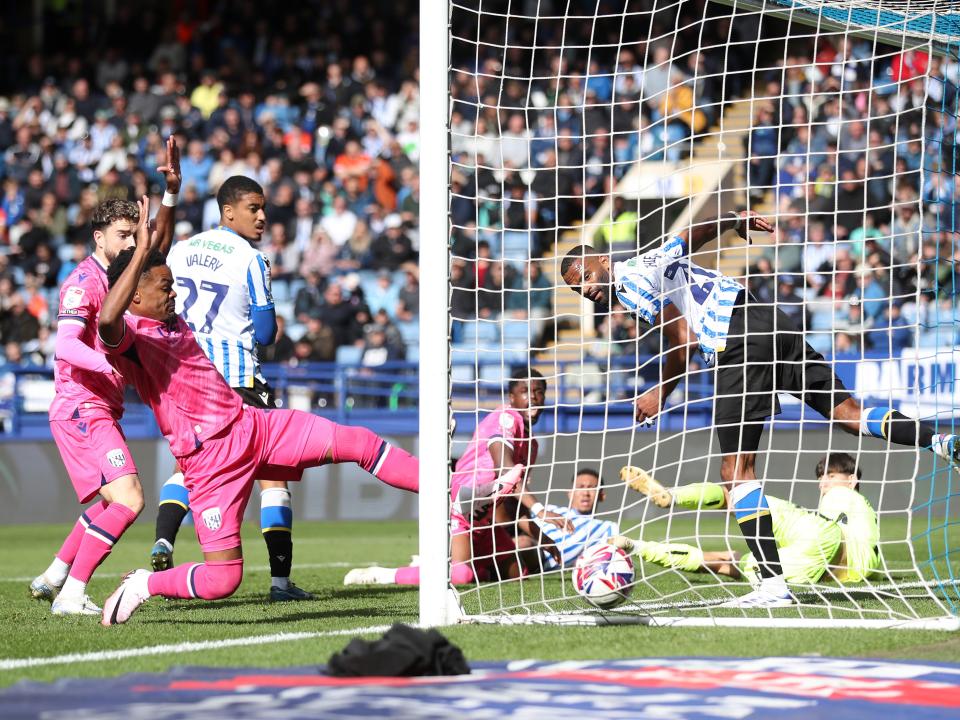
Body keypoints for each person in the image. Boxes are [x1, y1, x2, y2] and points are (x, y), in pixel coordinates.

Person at [560, 210, 959, 607]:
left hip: (737, 343)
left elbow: (684, 341)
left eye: (588, 277)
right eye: (579, 289)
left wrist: (658, 394)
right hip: (773, 323)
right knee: (850, 416)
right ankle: (940, 441)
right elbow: (690, 233)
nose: (588, 290)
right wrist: (732, 219)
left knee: (736, 473)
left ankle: (772, 586)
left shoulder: (629, 284)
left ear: (601, 260)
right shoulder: (649, 257)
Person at [96, 207, 419, 625]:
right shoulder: (132, 338)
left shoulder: (168, 316)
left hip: (253, 424)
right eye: (165, 288)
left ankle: (442, 490)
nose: (175, 294)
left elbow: (157, 255)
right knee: (222, 579)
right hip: (212, 460)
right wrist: (140, 253)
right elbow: (107, 318)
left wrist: (170, 197)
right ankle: (144, 584)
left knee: (359, 442)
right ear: (135, 295)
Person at [29, 138, 180, 616]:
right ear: (99, 238)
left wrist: (170, 195)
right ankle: (73, 594)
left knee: (106, 503)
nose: (131, 245)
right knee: (130, 498)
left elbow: (159, 249)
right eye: (122, 235)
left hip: (99, 405)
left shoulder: (123, 277)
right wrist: (113, 366)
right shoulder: (83, 282)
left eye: (134, 235)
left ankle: (55, 575)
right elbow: (67, 346)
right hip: (80, 404)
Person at [155, 175, 311, 601]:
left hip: (186, 380)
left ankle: (164, 540)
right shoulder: (251, 259)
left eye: (263, 209)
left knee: (188, 468)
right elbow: (264, 333)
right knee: (274, 476)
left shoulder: (182, 249)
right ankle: (280, 583)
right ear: (229, 211)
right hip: (238, 378)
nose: (262, 217)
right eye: (254, 209)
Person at [343, 369, 567, 586]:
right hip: (459, 509)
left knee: (518, 574)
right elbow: (506, 471)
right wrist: (540, 509)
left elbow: (514, 505)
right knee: (460, 576)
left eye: (539, 392)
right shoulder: (507, 418)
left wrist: (541, 537)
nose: (533, 398)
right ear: (511, 397)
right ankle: (382, 575)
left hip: (484, 521)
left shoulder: (532, 445)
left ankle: (441, 563)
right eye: (525, 391)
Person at [617, 453, 879, 586]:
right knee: (734, 563)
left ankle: (672, 496)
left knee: (738, 497)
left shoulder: (845, 496)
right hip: (814, 554)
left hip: (817, 533)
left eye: (831, 476)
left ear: (852, 480)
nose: (823, 482)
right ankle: (638, 544)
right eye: (821, 477)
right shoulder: (865, 521)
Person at [523, 468, 620, 570]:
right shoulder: (549, 509)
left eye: (592, 488)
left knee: (524, 542)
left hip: (542, 558)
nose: (585, 493)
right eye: (580, 487)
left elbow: (620, 550)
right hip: (526, 541)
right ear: (570, 493)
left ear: (602, 496)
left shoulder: (606, 527)